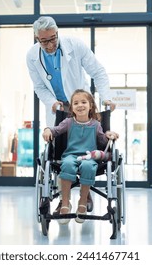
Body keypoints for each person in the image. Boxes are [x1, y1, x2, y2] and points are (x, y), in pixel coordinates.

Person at [26, 16, 116, 214]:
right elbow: (39, 87)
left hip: (80, 103)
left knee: (86, 146)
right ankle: (62, 200)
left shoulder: (74, 45)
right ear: (36, 38)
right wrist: (52, 103)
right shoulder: (32, 56)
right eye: (44, 41)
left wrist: (107, 98)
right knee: (59, 153)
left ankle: (87, 194)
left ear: (57, 32)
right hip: (56, 108)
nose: (50, 44)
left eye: (53, 38)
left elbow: (98, 72)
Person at [42, 89, 119, 224]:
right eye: (76, 103)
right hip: (70, 155)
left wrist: (109, 135)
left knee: (88, 166)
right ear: (72, 107)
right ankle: (65, 202)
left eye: (84, 102)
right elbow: (56, 130)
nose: (80, 105)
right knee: (66, 165)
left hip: (89, 156)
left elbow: (103, 142)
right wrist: (47, 129)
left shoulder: (96, 124)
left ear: (90, 106)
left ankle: (82, 201)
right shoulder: (69, 122)